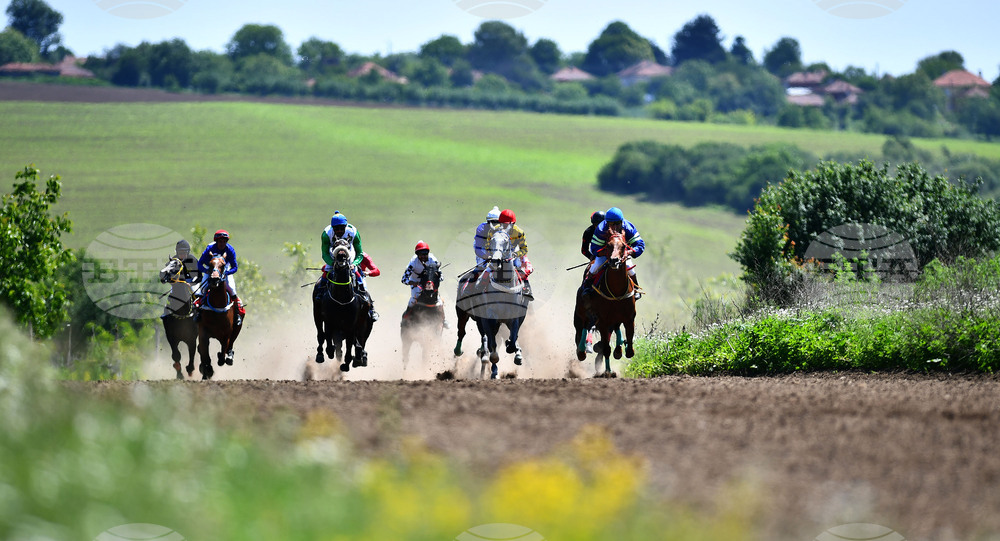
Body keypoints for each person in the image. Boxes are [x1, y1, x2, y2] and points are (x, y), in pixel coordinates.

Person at [319, 211, 378, 322]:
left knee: (357, 275)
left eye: (342, 228)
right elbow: (325, 254)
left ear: (346, 226)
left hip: (349, 254)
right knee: (326, 273)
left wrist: (354, 264)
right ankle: (319, 294)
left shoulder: (353, 232)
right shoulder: (326, 234)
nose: (340, 231)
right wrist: (333, 263)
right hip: (333, 255)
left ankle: (367, 302)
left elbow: (359, 253)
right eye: (337, 229)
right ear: (333, 228)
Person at [585, 207, 644, 298]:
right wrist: (607, 253)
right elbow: (594, 248)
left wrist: (628, 252)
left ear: (621, 221)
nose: (615, 227)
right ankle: (587, 287)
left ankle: (636, 289)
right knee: (595, 266)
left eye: (617, 223)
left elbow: (640, 245)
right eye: (611, 224)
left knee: (630, 269)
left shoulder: (628, 228)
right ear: (607, 222)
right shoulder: (601, 229)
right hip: (605, 253)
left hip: (622, 253)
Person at [195, 230, 244, 324]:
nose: (222, 244)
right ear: (216, 241)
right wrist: (207, 271)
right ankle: (199, 313)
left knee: (231, 289)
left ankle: (237, 314)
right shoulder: (209, 248)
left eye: (224, 241)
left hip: (224, 270)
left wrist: (226, 273)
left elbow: (235, 267)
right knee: (202, 289)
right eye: (220, 241)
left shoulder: (230, 250)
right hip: (211, 269)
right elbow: (200, 264)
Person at [160, 239, 201, 318]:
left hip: (192, 282)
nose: (181, 254)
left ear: (187, 252)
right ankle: (167, 311)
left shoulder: (192, 260)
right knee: (171, 295)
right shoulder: (174, 260)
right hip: (178, 283)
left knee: (197, 293)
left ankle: (199, 311)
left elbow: (198, 275)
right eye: (180, 252)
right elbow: (168, 274)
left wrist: (191, 283)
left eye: (183, 252)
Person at [401, 241, 442, 308]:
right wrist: (412, 282)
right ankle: (406, 316)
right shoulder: (413, 263)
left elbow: (441, 276)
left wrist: (435, 279)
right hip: (416, 282)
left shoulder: (433, 260)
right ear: (417, 255)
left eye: (425, 254)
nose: (423, 256)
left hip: (429, 283)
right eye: (421, 254)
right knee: (413, 301)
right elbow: (404, 279)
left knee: (439, 301)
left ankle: (443, 318)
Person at [474, 205, 501, 270]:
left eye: (498, 222)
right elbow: (478, 248)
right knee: (481, 268)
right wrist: (486, 256)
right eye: (493, 222)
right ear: (488, 222)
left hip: (498, 248)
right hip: (483, 247)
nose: (495, 225)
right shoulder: (481, 229)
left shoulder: (504, 229)